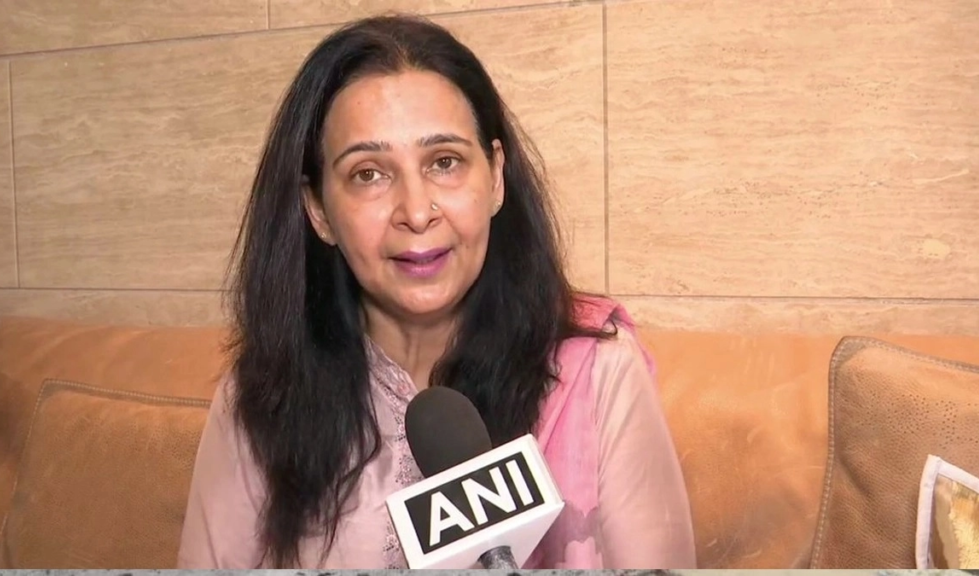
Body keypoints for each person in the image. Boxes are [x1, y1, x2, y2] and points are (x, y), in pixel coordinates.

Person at [176, 13, 696, 570]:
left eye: (444, 162)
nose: (417, 211)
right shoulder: (261, 396)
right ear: (319, 210)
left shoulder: (599, 372)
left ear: (495, 177)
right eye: (369, 174)